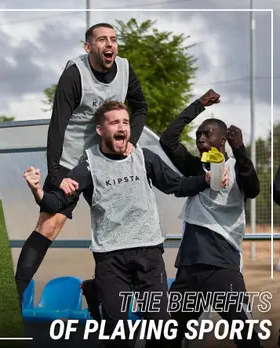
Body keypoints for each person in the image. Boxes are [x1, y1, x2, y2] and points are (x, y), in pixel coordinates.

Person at [24, 100, 216, 348]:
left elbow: (177, 186)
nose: (122, 127)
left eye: (125, 122)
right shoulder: (87, 166)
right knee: (118, 333)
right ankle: (97, 296)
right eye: (115, 122)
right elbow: (56, 202)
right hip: (110, 257)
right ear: (100, 130)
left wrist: (206, 179)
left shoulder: (144, 158)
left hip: (148, 252)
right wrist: (37, 190)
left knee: (161, 329)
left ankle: (96, 294)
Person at [15, 22, 148, 304]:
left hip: (105, 160)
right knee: (49, 225)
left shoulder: (124, 69)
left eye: (113, 39)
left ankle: (105, 292)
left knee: (121, 228)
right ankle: (15, 294)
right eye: (102, 40)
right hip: (71, 160)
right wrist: (55, 175)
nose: (109, 44)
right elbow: (57, 126)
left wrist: (131, 139)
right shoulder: (74, 75)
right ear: (89, 47)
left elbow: (141, 106)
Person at [159, 89, 262, 348]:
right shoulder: (196, 169)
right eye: (198, 135)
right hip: (189, 267)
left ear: (223, 139)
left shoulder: (237, 168)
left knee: (247, 336)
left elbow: (253, 190)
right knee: (169, 336)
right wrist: (199, 105)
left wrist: (240, 152)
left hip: (222, 266)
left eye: (207, 134)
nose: (201, 138)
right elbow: (167, 140)